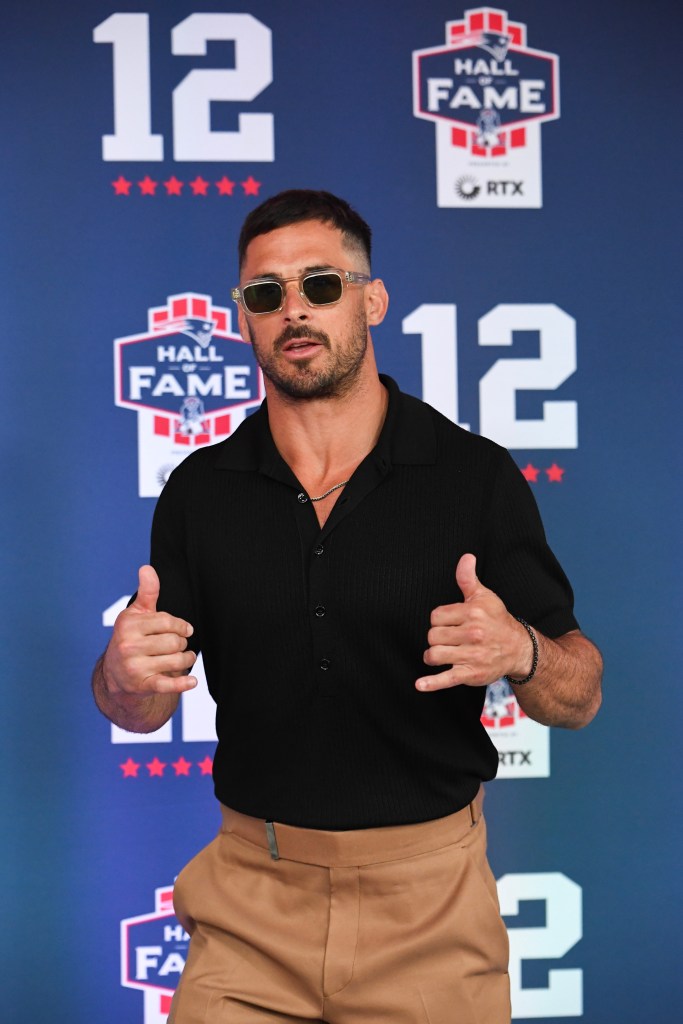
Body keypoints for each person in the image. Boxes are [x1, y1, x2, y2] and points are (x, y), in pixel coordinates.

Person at [93, 189, 602, 1023]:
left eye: (320, 285)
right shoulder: (199, 492)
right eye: (267, 294)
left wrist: (523, 654)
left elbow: (579, 694)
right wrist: (119, 674)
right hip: (248, 905)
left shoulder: (471, 477)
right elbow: (141, 707)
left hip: (429, 910)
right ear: (245, 319)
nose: (294, 311)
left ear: (371, 299)